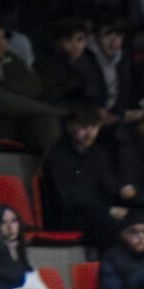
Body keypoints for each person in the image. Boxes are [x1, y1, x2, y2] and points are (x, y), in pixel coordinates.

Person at [0, 16, 61, 153]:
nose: (1, 43)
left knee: (48, 123)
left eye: (3, 37)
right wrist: (49, 109)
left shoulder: (12, 60)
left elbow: (35, 85)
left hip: (22, 120)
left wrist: (6, 88)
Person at [40, 103, 125, 246]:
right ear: (70, 126)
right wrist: (108, 210)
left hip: (98, 212)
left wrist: (124, 190)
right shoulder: (57, 156)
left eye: (94, 127)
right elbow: (70, 198)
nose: (90, 133)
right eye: (84, 127)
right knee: (113, 227)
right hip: (68, 216)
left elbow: (109, 185)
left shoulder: (99, 153)